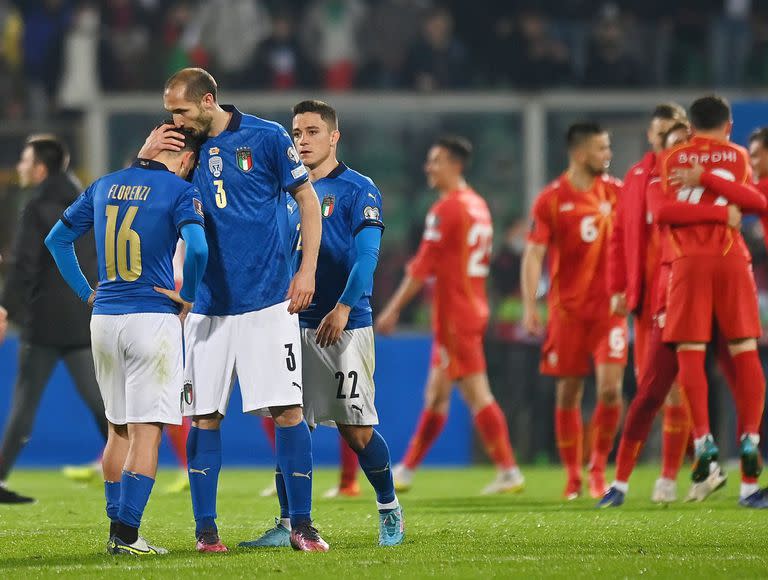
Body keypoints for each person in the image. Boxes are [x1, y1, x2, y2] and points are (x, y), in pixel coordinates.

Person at [139, 67, 325, 552]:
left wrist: (306, 271)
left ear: (206, 100)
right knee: (203, 416)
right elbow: (144, 217)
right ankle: (206, 532)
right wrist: (155, 166)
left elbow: (306, 199)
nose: (173, 120)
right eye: (168, 113)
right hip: (206, 307)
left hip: (268, 303)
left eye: (180, 110)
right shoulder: (182, 153)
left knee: (287, 411)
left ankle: (301, 526)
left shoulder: (265, 137)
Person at [241, 100, 404, 549]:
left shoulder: (357, 189)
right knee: (289, 421)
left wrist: (345, 307)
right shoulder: (286, 192)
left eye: (312, 132)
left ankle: (389, 506)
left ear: (334, 136)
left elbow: (368, 257)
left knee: (356, 430)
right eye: (296, 133)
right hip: (291, 323)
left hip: (343, 326)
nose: (302, 141)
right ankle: (289, 522)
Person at [45, 125, 208, 555]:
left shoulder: (104, 185)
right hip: (151, 320)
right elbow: (198, 249)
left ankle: (116, 532)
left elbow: (57, 240)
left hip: (103, 320)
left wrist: (86, 292)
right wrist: (188, 296)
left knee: (117, 432)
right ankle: (128, 535)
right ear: (186, 158)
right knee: (146, 433)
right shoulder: (178, 191)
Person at [598, 121, 752, 508]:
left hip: (713, 285)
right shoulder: (656, 180)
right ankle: (620, 483)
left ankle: (740, 481)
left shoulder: (705, 180)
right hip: (673, 290)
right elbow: (662, 211)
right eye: (674, 145)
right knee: (653, 390)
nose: (682, 151)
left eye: (686, 143)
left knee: (739, 382)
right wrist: (722, 214)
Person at [376, 136, 524, 495]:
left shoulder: (446, 209)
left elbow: (421, 268)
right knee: (437, 393)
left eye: (436, 161)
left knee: (477, 393)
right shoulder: (479, 206)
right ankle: (407, 470)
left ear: (455, 165)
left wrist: (392, 309)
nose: (429, 167)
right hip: (472, 306)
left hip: (456, 313)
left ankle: (508, 469)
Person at [655, 96, 766, 507]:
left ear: (691, 124)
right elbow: (756, 203)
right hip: (732, 259)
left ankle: (703, 439)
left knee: (690, 352)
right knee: (744, 350)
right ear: (729, 124)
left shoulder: (672, 159)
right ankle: (751, 443)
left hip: (688, 264)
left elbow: (664, 212)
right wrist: (721, 206)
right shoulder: (739, 156)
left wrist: (700, 180)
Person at [521, 122, 627, 500]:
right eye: (602, 148)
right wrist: (531, 304)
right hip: (567, 312)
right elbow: (534, 254)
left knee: (612, 391)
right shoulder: (551, 199)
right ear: (580, 153)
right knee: (568, 393)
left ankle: (598, 468)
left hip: (610, 311)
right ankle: (573, 476)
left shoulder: (618, 193)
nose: (607, 154)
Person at [0, 135, 107, 504]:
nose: (20, 168)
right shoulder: (90, 201)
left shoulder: (37, 207)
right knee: (101, 405)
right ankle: (130, 470)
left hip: (43, 323)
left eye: (26, 161)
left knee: (24, 409)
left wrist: (5, 309)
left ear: (41, 168)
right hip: (82, 317)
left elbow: (25, 265)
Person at [607, 103, 695, 503]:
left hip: (682, 291)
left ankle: (668, 476)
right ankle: (696, 464)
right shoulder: (637, 176)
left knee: (675, 388)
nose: (663, 141)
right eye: (659, 134)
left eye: (671, 135)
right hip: (643, 298)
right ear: (650, 135)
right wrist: (618, 286)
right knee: (651, 389)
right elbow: (619, 235)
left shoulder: (686, 178)